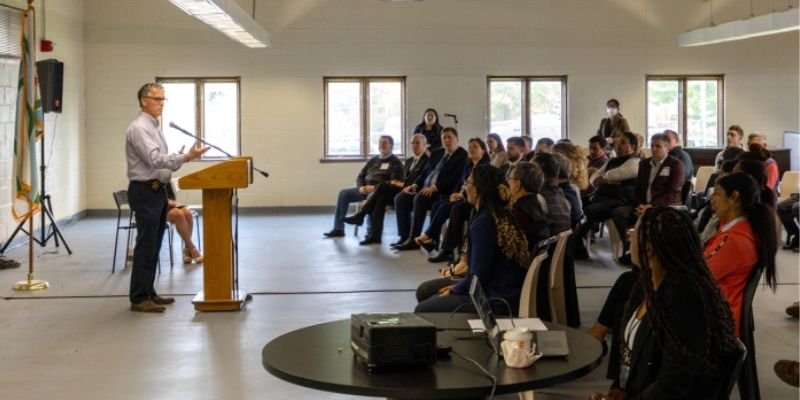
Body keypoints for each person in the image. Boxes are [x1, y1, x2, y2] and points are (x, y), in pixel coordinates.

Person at [588, 207, 739, 400]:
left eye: (633, 233)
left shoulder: (686, 300)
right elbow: (634, 361)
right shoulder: (645, 286)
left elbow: (674, 386)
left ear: (649, 247)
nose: (630, 239)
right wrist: (620, 391)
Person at [125, 82, 208, 313]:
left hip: (157, 190)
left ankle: (149, 292)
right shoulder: (140, 128)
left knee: (154, 245)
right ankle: (139, 298)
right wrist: (185, 157)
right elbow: (154, 160)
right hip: (144, 191)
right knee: (146, 246)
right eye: (157, 99)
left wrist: (181, 159)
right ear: (143, 101)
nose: (161, 103)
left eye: (163, 99)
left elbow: (161, 164)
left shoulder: (154, 127)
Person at [415, 165, 529, 314]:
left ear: (478, 189)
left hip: (494, 298)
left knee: (422, 309)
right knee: (425, 292)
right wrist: (458, 287)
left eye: (468, 182)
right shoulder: (499, 213)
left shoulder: (484, 222)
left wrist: (456, 290)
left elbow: (478, 278)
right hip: (502, 289)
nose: (465, 186)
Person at [706, 172, 777, 336]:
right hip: (717, 309)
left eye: (717, 193)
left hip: (718, 319)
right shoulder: (736, 229)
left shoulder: (734, 241)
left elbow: (699, 277)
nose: (712, 199)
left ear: (734, 198)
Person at [611, 133, 685, 265]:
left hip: (665, 206)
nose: (654, 149)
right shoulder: (644, 164)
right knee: (618, 212)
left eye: (658, 146)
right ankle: (632, 249)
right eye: (652, 145)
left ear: (667, 148)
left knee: (651, 217)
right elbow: (638, 189)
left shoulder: (676, 165)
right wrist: (640, 205)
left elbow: (673, 193)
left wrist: (651, 206)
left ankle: (647, 252)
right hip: (643, 204)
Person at [343, 134, 430, 245]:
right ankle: (376, 236)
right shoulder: (409, 161)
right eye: (412, 143)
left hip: (414, 191)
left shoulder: (427, 160)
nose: (414, 145)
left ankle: (362, 215)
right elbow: (403, 179)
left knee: (382, 187)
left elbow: (421, 178)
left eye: (417, 143)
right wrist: (362, 187)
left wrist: (403, 184)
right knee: (381, 197)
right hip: (402, 189)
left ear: (424, 145)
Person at [394, 127, 467, 250]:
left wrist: (435, 187)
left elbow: (455, 178)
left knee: (420, 198)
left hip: (443, 191)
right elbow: (424, 172)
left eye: (450, 137)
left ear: (457, 139)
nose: (447, 140)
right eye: (444, 138)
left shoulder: (461, 155)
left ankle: (414, 238)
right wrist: (415, 185)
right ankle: (404, 236)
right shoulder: (437, 153)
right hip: (425, 188)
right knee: (400, 198)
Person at [414, 138, 490, 253]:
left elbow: (479, 190)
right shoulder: (468, 165)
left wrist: (462, 195)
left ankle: (440, 245)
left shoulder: (485, 168)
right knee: (437, 205)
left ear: (483, 151)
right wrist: (454, 194)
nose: (471, 149)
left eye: (475, 147)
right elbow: (460, 183)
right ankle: (432, 240)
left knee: (447, 207)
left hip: (474, 201)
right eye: (469, 147)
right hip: (461, 197)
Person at [574, 132, 640, 259]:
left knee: (589, 212)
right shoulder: (612, 161)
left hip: (619, 200)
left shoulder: (635, 162)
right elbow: (593, 178)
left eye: (622, 142)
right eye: (617, 142)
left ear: (632, 146)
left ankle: (575, 246)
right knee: (576, 206)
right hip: (600, 197)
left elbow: (618, 174)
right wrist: (609, 180)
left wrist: (605, 179)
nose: (617, 145)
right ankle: (577, 246)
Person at [324, 135, 404, 238]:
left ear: (391, 146)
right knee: (343, 193)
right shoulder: (373, 160)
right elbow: (361, 175)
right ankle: (338, 228)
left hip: (377, 192)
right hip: (364, 189)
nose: (381, 145)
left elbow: (393, 182)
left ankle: (370, 231)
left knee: (372, 197)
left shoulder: (396, 162)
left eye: (384, 143)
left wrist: (374, 188)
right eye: (380, 142)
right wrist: (361, 187)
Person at [508, 162, 551, 249]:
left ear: (517, 184)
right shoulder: (538, 206)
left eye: (509, 178)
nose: (507, 182)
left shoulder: (518, 214)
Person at [531, 153, 571, 234]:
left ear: (539, 171)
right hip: (561, 244)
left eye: (531, 168)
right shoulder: (559, 192)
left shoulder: (539, 197)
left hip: (547, 244)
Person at [166, 184, 202, 263]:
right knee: (178, 214)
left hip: (168, 204)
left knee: (187, 213)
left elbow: (170, 194)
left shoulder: (163, 173)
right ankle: (192, 248)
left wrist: (171, 201)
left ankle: (187, 250)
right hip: (154, 207)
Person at [584, 135, 610, 201]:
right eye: (590, 148)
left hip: (590, 196)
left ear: (604, 149)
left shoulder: (604, 163)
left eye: (595, 148)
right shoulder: (588, 159)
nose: (591, 151)